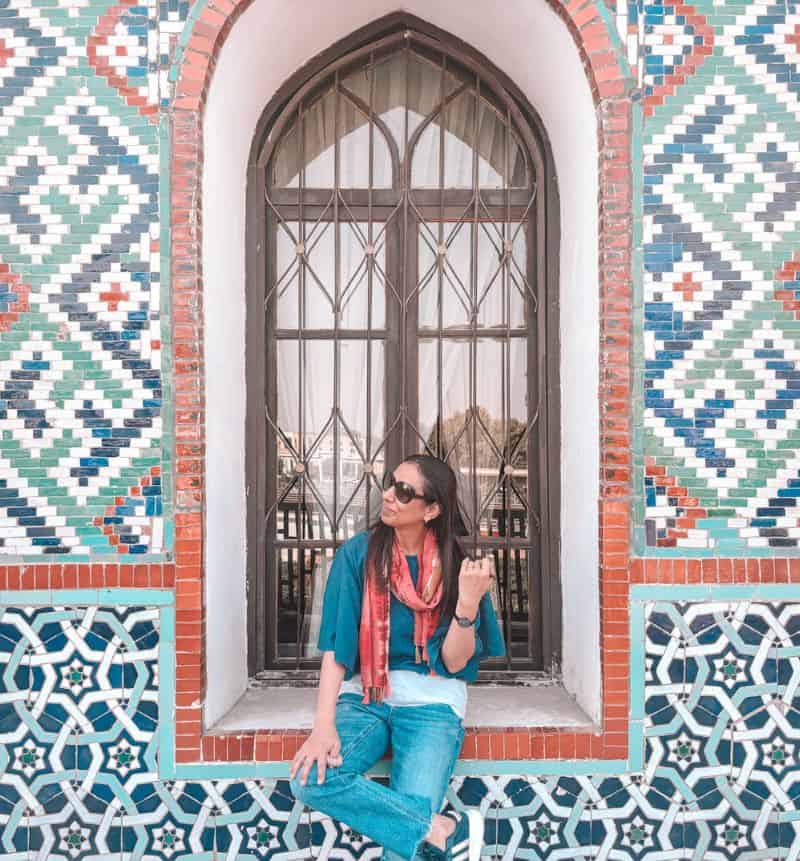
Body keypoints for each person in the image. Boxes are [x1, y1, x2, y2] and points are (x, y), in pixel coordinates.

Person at [289, 454, 506, 861]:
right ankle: (440, 828)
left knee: (402, 851)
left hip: (432, 704)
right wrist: (323, 725)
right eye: (390, 484)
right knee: (310, 780)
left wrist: (468, 604)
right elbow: (337, 646)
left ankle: (425, 831)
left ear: (432, 509)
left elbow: (454, 663)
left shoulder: (455, 566)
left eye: (404, 492)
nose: (388, 495)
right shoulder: (358, 555)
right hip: (367, 698)